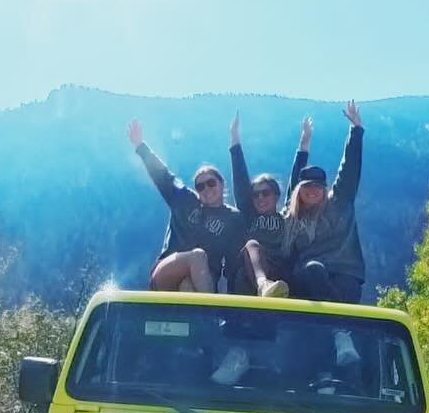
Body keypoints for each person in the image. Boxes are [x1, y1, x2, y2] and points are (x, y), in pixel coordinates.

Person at [128, 120, 245, 292]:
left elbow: (233, 260)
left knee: (188, 287)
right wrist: (140, 146)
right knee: (198, 256)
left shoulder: (232, 217)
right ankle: (210, 314)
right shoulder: (185, 200)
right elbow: (163, 175)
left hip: (203, 279)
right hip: (167, 271)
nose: (206, 189)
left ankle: (198, 314)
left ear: (222, 184)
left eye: (211, 183)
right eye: (200, 186)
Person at [285, 101, 366, 303]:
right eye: (307, 187)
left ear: (325, 189)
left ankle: (340, 329)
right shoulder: (293, 215)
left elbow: (349, 170)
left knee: (346, 285)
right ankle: (338, 328)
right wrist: (303, 146)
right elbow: (293, 182)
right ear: (299, 191)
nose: (312, 191)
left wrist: (356, 131)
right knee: (313, 270)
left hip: (344, 272)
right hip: (308, 278)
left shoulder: (339, 203)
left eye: (317, 187)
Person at [227, 111, 311, 297]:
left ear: (276, 195)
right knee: (251, 245)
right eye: (255, 195)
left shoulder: (286, 217)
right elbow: (240, 180)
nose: (260, 198)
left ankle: (273, 289)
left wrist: (304, 145)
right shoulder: (250, 217)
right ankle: (263, 285)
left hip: (281, 270)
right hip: (255, 272)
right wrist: (234, 139)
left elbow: (296, 184)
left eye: (265, 193)